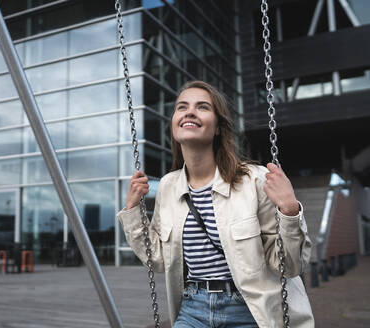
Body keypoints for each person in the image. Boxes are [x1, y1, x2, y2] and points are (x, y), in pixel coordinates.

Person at [117, 81, 314, 327]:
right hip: (192, 308)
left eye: (202, 107)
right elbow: (158, 258)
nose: (189, 112)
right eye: (182, 107)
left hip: (249, 309)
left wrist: (289, 211)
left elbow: (289, 264)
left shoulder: (253, 179)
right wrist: (132, 211)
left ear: (219, 127)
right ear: (174, 123)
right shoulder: (168, 186)